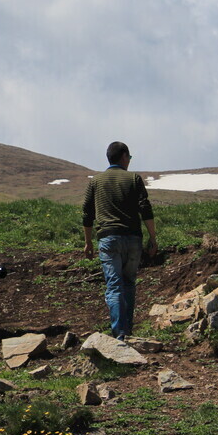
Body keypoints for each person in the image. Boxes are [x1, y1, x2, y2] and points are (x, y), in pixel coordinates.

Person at [82, 141, 157, 341]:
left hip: (108, 238)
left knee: (114, 286)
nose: (129, 162)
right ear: (123, 156)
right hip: (133, 238)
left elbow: (87, 213)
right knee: (129, 283)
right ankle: (128, 329)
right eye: (129, 158)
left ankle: (120, 333)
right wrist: (153, 237)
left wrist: (88, 242)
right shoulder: (134, 179)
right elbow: (145, 208)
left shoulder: (95, 181)